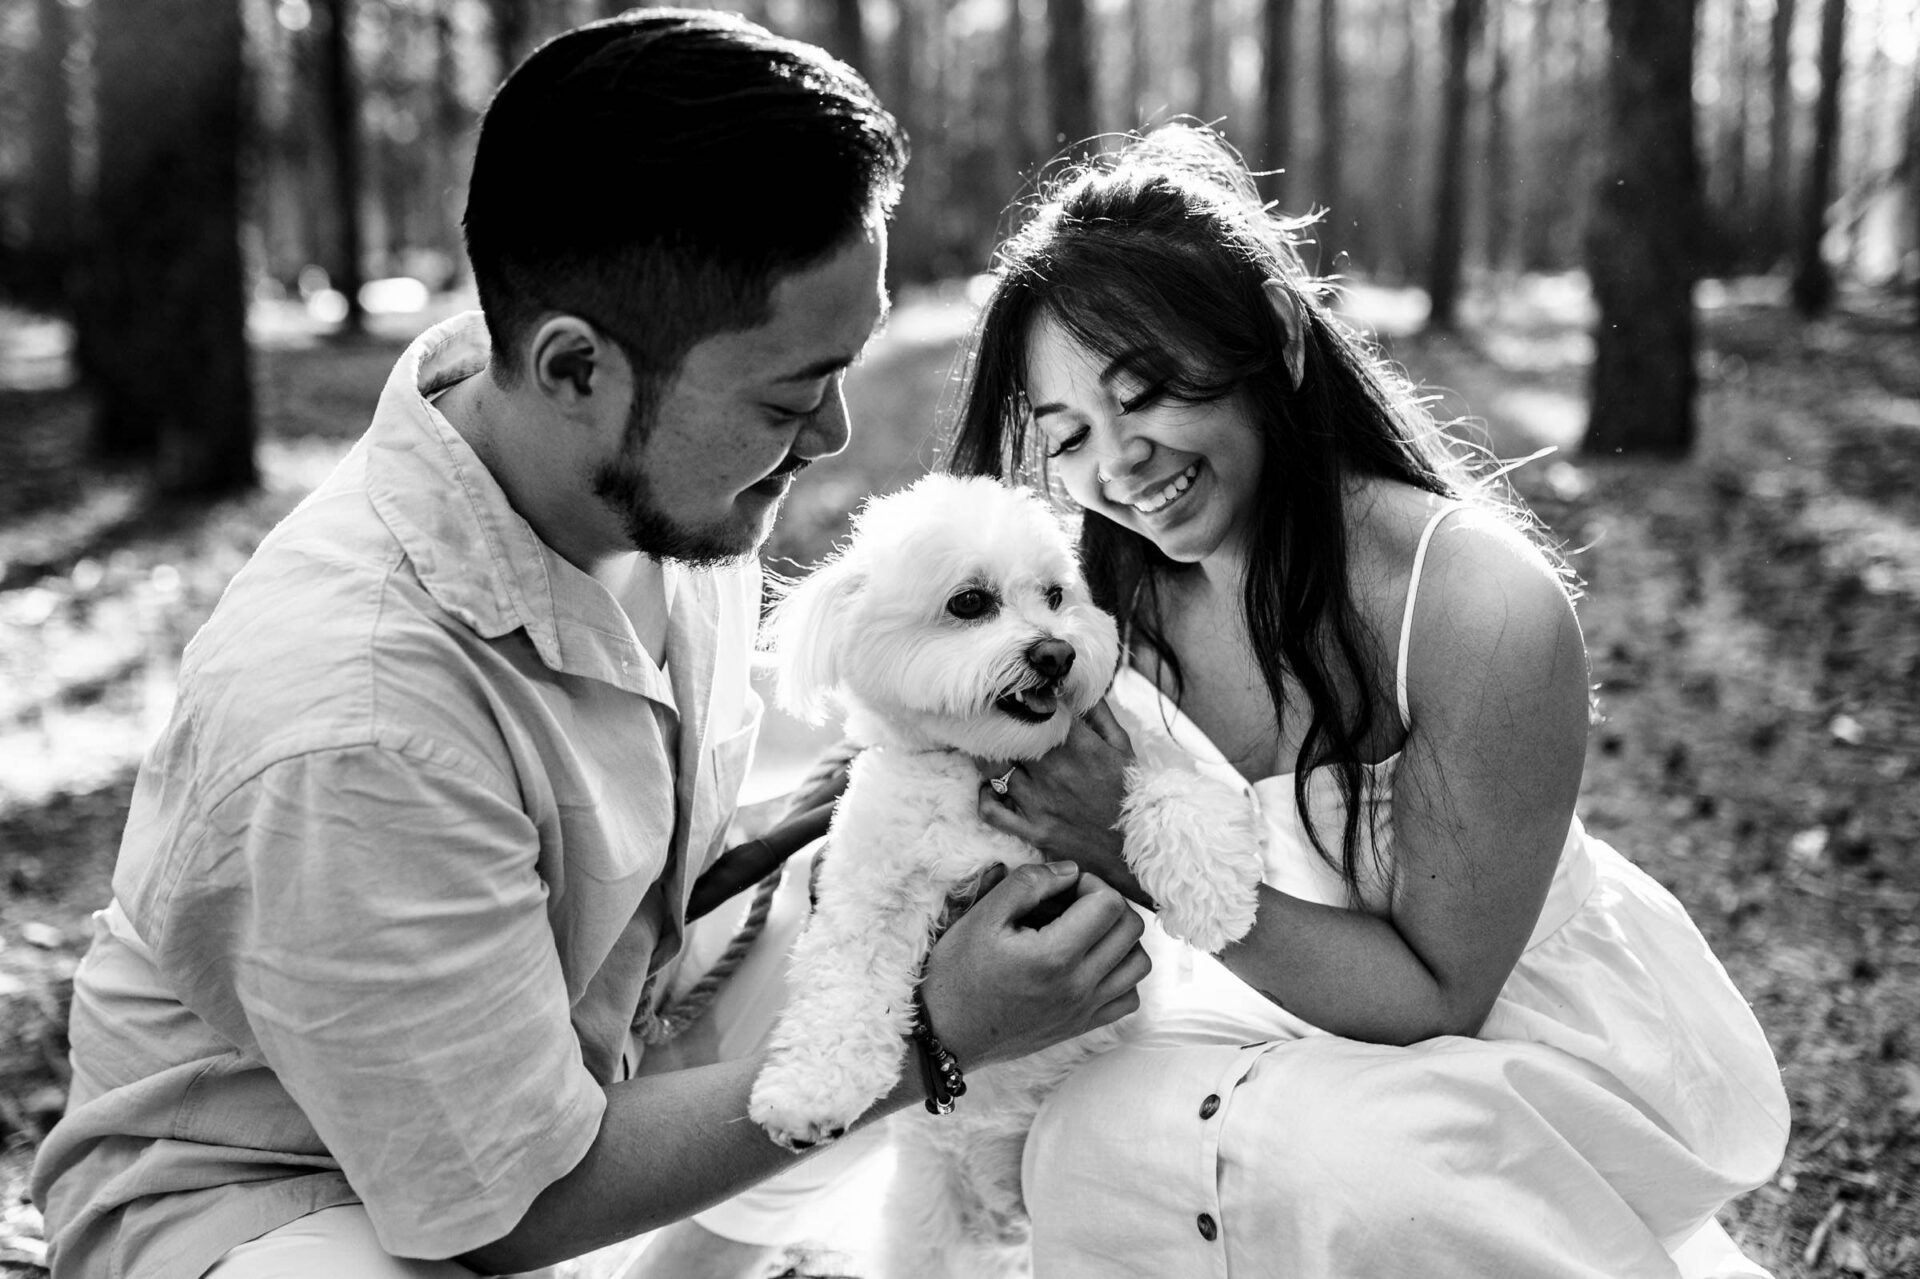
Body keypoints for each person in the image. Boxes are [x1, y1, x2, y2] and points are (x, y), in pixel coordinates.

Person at [29, 11, 1148, 1278]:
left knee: (887, 907)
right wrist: (934, 1036)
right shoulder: (357, 713)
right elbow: (506, 1201)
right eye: (790, 394)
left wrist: (815, 821)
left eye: (843, 369)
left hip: (585, 1060)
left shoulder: (657, 489)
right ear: (572, 368)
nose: (834, 433)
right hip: (288, 1198)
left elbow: (629, 868)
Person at [944, 123, 1791, 1277]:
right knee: (1081, 1139)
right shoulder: (1106, 591)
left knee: (1353, 1171)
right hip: (1271, 1005)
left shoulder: (1479, 604)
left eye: (1147, 393)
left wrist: (1133, 844)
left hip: (1502, 1031)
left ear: (1280, 341)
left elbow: (1438, 994)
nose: (1121, 466)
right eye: (1071, 437)